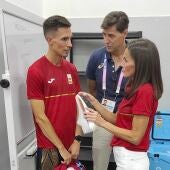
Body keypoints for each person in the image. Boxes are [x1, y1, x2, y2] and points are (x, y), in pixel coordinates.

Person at [80, 38, 163, 170]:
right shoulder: (133, 87)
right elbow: (117, 119)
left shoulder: (145, 91)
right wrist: (94, 102)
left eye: (126, 60)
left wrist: (101, 123)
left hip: (132, 160)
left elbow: (135, 137)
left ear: (140, 64)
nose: (121, 64)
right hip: (124, 159)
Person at [26, 15, 82, 170]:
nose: (69, 44)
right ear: (49, 40)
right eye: (64, 39)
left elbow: (79, 107)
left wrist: (77, 140)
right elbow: (40, 117)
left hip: (71, 145)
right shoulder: (35, 71)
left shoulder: (71, 69)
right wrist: (61, 148)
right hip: (50, 148)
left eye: (70, 39)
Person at [86, 11, 129, 170]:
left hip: (127, 123)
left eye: (111, 35)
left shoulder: (135, 57)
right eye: (104, 35)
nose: (106, 40)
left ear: (124, 33)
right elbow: (91, 89)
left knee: (127, 165)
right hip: (103, 121)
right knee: (99, 165)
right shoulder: (97, 56)